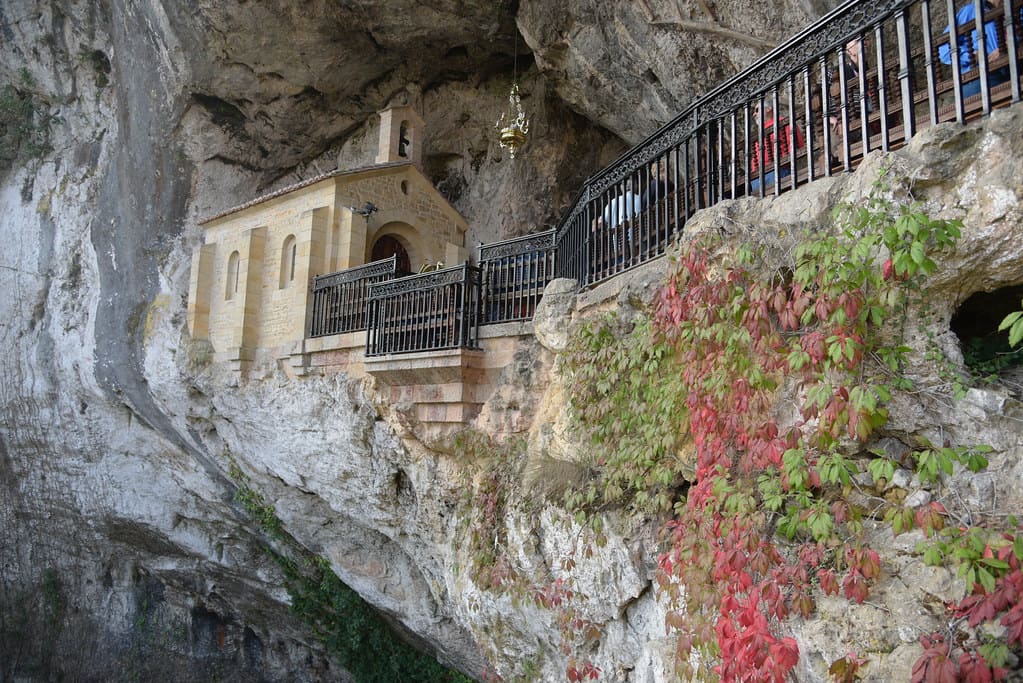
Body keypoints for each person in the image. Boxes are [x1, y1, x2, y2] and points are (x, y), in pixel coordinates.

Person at [938, 1, 1009, 99]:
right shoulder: (972, 10)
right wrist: (972, 56)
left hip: (1010, 69)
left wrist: (1006, 46)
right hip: (980, 76)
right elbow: (943, 48)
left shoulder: (1015, 8)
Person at [749, 101, 804, 192]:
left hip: (776, 170)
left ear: (769, 109)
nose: (754, 114)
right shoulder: (760, 132)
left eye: (757, 110)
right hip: (756, 177)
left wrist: (785, 163)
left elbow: (798, 144)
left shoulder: (783, 123)